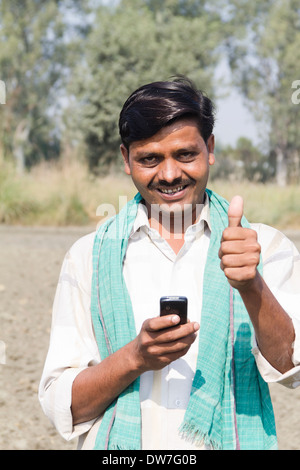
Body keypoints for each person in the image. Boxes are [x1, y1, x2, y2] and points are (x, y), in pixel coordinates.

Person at [39, 77, 300, 450]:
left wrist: (251, 285)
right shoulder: (88, 258)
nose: (170, 174)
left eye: (185, 154)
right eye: (149, 158)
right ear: (126, 160)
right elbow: (63, 405)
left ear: (209, 148)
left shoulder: (262, 246)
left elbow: (291, 371)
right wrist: (135, 358)